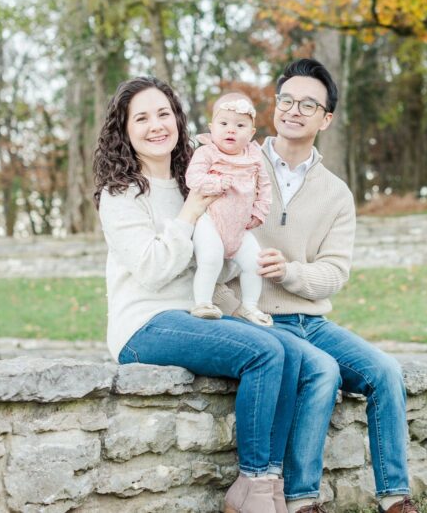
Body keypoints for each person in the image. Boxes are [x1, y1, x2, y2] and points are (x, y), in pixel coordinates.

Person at [216, 60, 420, 513]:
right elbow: (209, 255)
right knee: (322, 373)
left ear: (326, 118)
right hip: (262, 320)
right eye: (286, 100)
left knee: (385, 371)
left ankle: (395, 497)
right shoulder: (237, 166)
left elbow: (335, 273)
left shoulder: (336, 193)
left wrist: (289, 271)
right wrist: (236, 314)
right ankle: (301, 499)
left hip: (314, 321)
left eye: (308, 104)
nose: (294, 110)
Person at [93, 75, 300, 513]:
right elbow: (152, 270)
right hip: (145, 324)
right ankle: (253, 485)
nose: (156, 125)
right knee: (263, 352)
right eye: (142, 118)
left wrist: (239, 251)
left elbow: (212, 264)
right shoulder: (121, 195)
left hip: (194, 314)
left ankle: (267, 485)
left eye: (164, 113)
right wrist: (189, 214)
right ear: (124, 130)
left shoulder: (195, 180)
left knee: (292, 352)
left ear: (178, 119)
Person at [186, 92, 272, 326]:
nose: (231, 130)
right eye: (224, 124)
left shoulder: (254, 158)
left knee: (255, 263)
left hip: (239, 227)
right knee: (210, 258)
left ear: (251, 133)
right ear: (212, 128)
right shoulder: (206, 153)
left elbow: (265, 187)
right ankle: (202, 302)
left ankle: (250, 306)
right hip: (211, 220)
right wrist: (215, 183)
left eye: (240, 125)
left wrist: (259, 212)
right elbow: (192, 178)